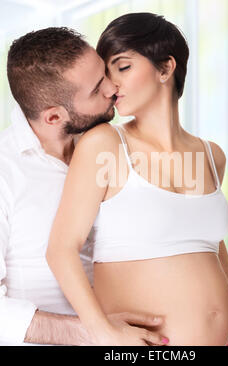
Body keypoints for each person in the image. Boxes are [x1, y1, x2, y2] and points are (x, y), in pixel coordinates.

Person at [47, 13, 228, 346]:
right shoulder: (105, 145)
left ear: (166, 68)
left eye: (122, 67)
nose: (112, 86)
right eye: (107, 75)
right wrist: (100, 330)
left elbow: (204, 235)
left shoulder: (211, 156)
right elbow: (61, 250)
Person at [0, 27, 169, 346]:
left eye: (105, 72)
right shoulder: (5, 173)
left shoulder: (117, 144)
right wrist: (93, 331)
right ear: (53, 117)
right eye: (96, 90)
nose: (112, 87)